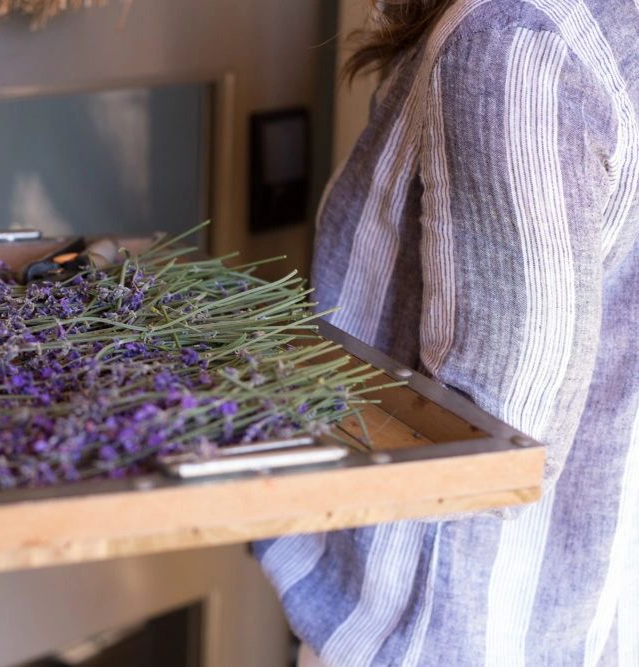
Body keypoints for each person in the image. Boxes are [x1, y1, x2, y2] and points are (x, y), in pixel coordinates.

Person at [253, 0, 639, 665]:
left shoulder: (516, 45)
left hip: (441, 633)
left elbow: (497, 448)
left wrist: (242, 379)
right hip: (569, 614)